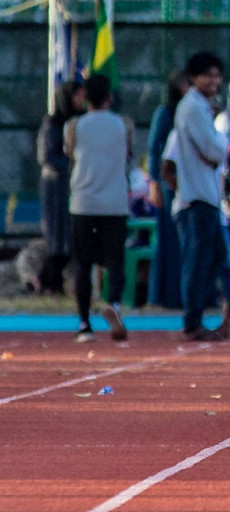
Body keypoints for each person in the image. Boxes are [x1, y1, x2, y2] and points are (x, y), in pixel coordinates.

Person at [64, 75, 133, 341]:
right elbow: (127, 154)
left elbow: (70, 154)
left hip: (83, 202)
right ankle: (113, 304)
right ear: (109, 97)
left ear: (85, 97)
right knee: (115, 262)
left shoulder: (74, 125)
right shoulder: (123, 124)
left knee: (83, 264)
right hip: (114, 202)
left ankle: (83, 323)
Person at [174, 51, 230, 341]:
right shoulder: (193, 107)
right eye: (207, 75)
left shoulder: (201, 106)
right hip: (196, 196)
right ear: (194, 78)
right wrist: (221, 153)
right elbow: (215, 151)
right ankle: (192, 322)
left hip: (207, 195)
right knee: (197, 262)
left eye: (216, 75)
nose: (214, 81)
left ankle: (221, 318)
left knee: (214, 260)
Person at [36, 82, 84, 295]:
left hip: (73, 186)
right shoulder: (52, 124)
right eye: (77, 96)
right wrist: (73, 165)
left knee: (71, 236)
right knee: (57, 235)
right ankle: (50, 282)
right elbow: (47, 156)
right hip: (56, 185)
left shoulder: (79, 122)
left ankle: (49, 280)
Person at [146, 73, 186, 308]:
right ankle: (165, 295)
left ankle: (186, 294)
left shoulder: (194, 112)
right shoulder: (165, 112)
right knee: (168, 238)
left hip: (189, 182)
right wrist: (154, 183)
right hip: (168, 183)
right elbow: (153, 149)